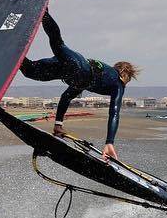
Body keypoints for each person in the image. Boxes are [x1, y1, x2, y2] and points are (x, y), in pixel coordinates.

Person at [19, 10, 139, 161]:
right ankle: (44, 14)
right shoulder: (118, 82)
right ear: (124, 74)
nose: (125, 86)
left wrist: (58, 124)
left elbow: (65, 97)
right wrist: (109, 142)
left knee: (30, 70)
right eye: (128, 81)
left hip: (70, 71)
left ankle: (15, 50)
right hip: (79, 67)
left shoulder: (86, 82)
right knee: (57, 43)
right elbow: (114, 113)